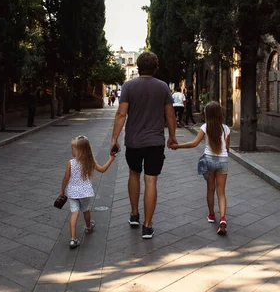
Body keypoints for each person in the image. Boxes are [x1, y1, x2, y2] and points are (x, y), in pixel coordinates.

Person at [110, 51, 177, 239]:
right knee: (151, 180)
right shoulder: (163, 87)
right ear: (155, 68)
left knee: (133, 174)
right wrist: (172, 136)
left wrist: (114, 138)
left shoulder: (128, 86)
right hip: (155, 141)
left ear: (138, 67)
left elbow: (121, 114)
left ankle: (134, 214)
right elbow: (170, 115)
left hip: (133, 141)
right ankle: (147, 226)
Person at [171, 101, 230, 236]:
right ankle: (223, 219)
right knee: (221, 192)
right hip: (223, 160)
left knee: (210, 189)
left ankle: (211, 215)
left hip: (208, 160)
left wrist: (177, 146)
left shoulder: (205, 127)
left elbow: (194, 143)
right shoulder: (226, 129)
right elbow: (227, 148)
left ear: (207, 114)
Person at [60, 135, 115, 248]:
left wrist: (62, 190)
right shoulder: (90, 161)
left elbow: (66, 178)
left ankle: (73, 239)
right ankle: (88, 227)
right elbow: (102, 169)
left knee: (74, 213)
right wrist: (111, 159)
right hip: (85, 192)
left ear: (78, 151)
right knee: (86, 210)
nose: (72, 150)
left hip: (73, 192)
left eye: (73, 148)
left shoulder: (70, 163)